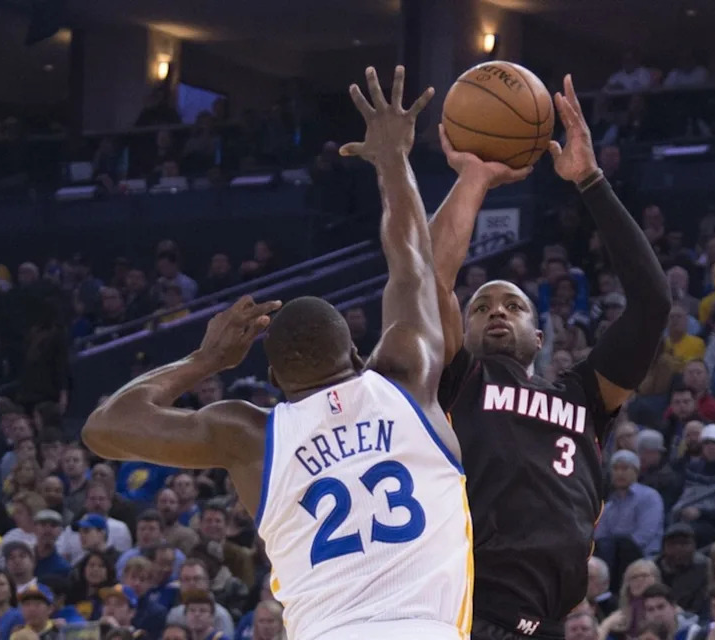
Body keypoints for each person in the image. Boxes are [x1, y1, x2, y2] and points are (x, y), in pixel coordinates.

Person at [84, 65, 471, 640]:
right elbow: (412, 258)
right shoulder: (406, 376)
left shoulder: (251, 435)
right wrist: (392, 158)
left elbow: (104, 428)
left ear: (271, 375)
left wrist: (205, 360)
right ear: (360, 354)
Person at [430, 72, 669, 639]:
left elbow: (652, 302)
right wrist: (473, 179)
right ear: (461, 334)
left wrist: (590, 180)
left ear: (540, 337)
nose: (494, 310)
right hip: (467, 612)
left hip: (552, 622)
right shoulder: (457, 379)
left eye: (512, 304)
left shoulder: (584, 395)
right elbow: (430, 278)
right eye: (481, 305)